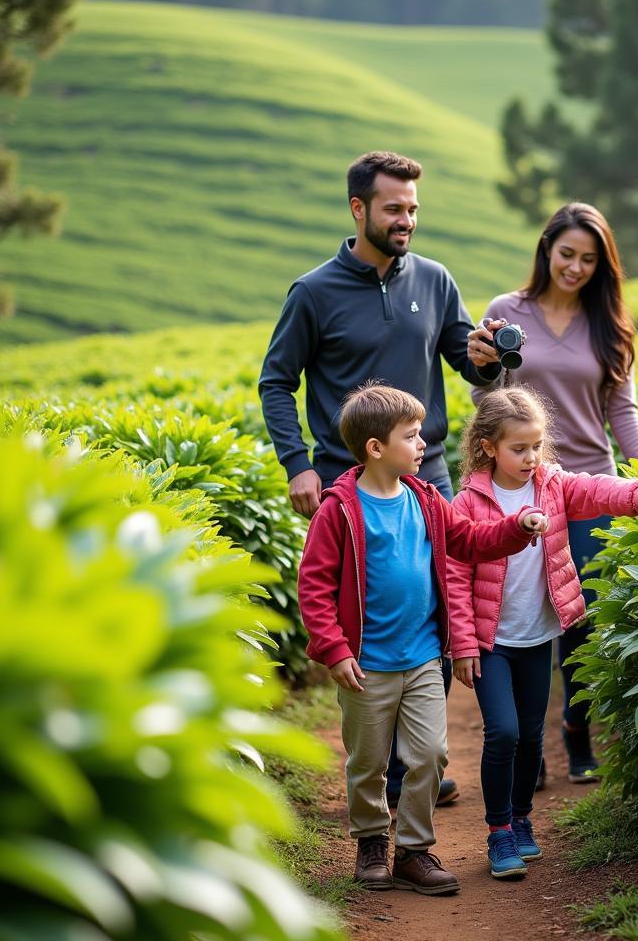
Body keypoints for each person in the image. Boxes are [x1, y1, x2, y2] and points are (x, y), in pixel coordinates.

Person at [259, 150, 505, 806]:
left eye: (414, 210)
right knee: (366, 614)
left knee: (437, 606)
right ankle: (388, 766)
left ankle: (415, 758)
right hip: (348, 486)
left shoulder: (436, 279)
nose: (407, 221)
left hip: (428, 480)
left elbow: (469, 366)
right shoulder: (313, 293)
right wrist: (297, 463)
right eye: (395, 208)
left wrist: (486, 361)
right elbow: (276, 382)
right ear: (358, 208)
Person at [297, 383, 548, 894]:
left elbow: (471, 541)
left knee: (430, 755)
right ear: (375, 448)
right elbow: (315, 587)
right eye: (411, 437)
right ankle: (371, 842)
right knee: (367, 763)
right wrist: (335, 650)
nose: (422, 445)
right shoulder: (338, 510)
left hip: (423, 659)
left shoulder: (426, 499)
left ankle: (414, 851)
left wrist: (517, 527)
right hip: (366, 665)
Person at [447, 387, 638, 879]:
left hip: (537, 636)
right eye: (519, 449)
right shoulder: (468, 502)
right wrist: (464, 644)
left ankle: (521, 819)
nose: (531, 457)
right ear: (489, 447)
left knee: (532, 736)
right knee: (504, 733)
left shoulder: (553, 484)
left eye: (536, 446)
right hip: (493, 642)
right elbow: (454, 574)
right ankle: (498, 832)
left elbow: (600, 490)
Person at [467, 202, 638, 786]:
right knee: (523, 616)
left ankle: (576, 725)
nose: (575, 267)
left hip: (588, 489)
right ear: (547, 249)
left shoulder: (610, 325)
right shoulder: (506, 312)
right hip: (520, 490)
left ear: (602, 266)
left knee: (582, 619)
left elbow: (622, 411)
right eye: (567, 253)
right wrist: (485, 367)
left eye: (588, 259)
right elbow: (488, 408)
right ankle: (529, 744)